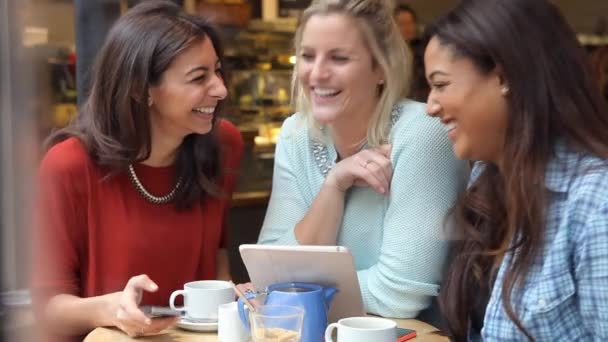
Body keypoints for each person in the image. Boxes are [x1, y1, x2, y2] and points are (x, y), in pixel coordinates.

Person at [30, 1, 243, 340]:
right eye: (198, 77)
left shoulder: (223, 144)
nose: (220, 89)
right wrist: (111, 309)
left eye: (217, 71)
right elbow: (47, 308)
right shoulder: (68, 166)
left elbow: (216, 255)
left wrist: (231, 300)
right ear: (141, 89)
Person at [257, 0, 468, 318]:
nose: (317, 73)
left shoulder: (423, 134)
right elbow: (267, 268)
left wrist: (292, 291)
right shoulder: (296, 132)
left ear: (381, 68)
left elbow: (398, 295)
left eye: (339, 58)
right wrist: (333, 186)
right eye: (308, 56)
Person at [424, 0, 608, 340]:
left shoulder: (595, 203)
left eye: (441, 84)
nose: (430, 107)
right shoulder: (488, 177)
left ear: (503, 76)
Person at [394, 3, 429, 102]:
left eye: (410, 23)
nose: (407, 28)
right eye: (402, 24)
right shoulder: (389, 54)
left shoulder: (424, 49)